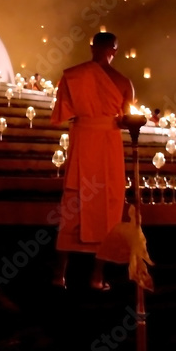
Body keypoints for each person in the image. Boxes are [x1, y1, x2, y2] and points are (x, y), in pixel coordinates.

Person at [50, 32, 135, 290]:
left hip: (84, 141)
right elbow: (127, 118)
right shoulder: (123, 81)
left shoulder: (73, 76)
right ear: (115, 50)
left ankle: (59, 274)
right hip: (108, 143)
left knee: (74, 201)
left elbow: (62, 112)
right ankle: (96, 277)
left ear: (92, 47)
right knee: (107, 202)